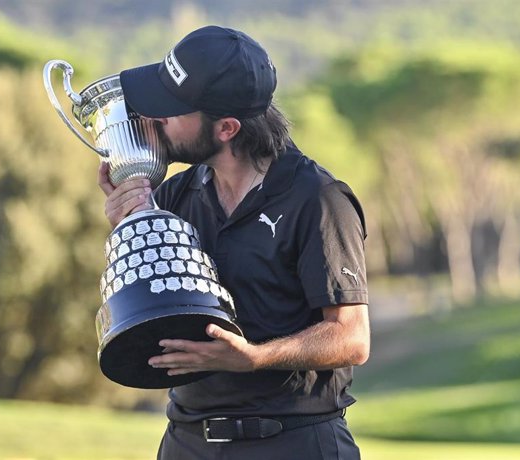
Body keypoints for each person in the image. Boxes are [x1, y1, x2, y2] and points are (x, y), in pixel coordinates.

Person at [98, 25, 370, 460]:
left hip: (295, 443)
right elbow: (150, 317)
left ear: (226, 128)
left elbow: (352, 338)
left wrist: (253, 358)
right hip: (187, 441)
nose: (153, 117)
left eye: (170, 109)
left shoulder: (317, 199)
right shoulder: (172, 195)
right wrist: (132, 225)